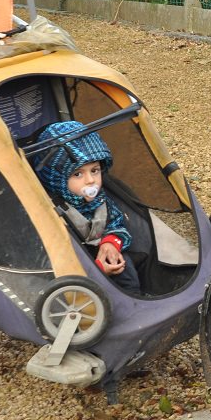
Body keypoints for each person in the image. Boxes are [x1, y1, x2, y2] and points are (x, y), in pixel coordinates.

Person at [34, 121, 141, 295]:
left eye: (95, 170)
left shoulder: (100, 200)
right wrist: (96, 272)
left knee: (125, 267)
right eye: (78, 174)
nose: (91, 180)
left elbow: (116, 222)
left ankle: (135, 298)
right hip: (74, 272)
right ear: (58, 179)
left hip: (101, 252)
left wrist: (111, 242)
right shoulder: (50, 210)